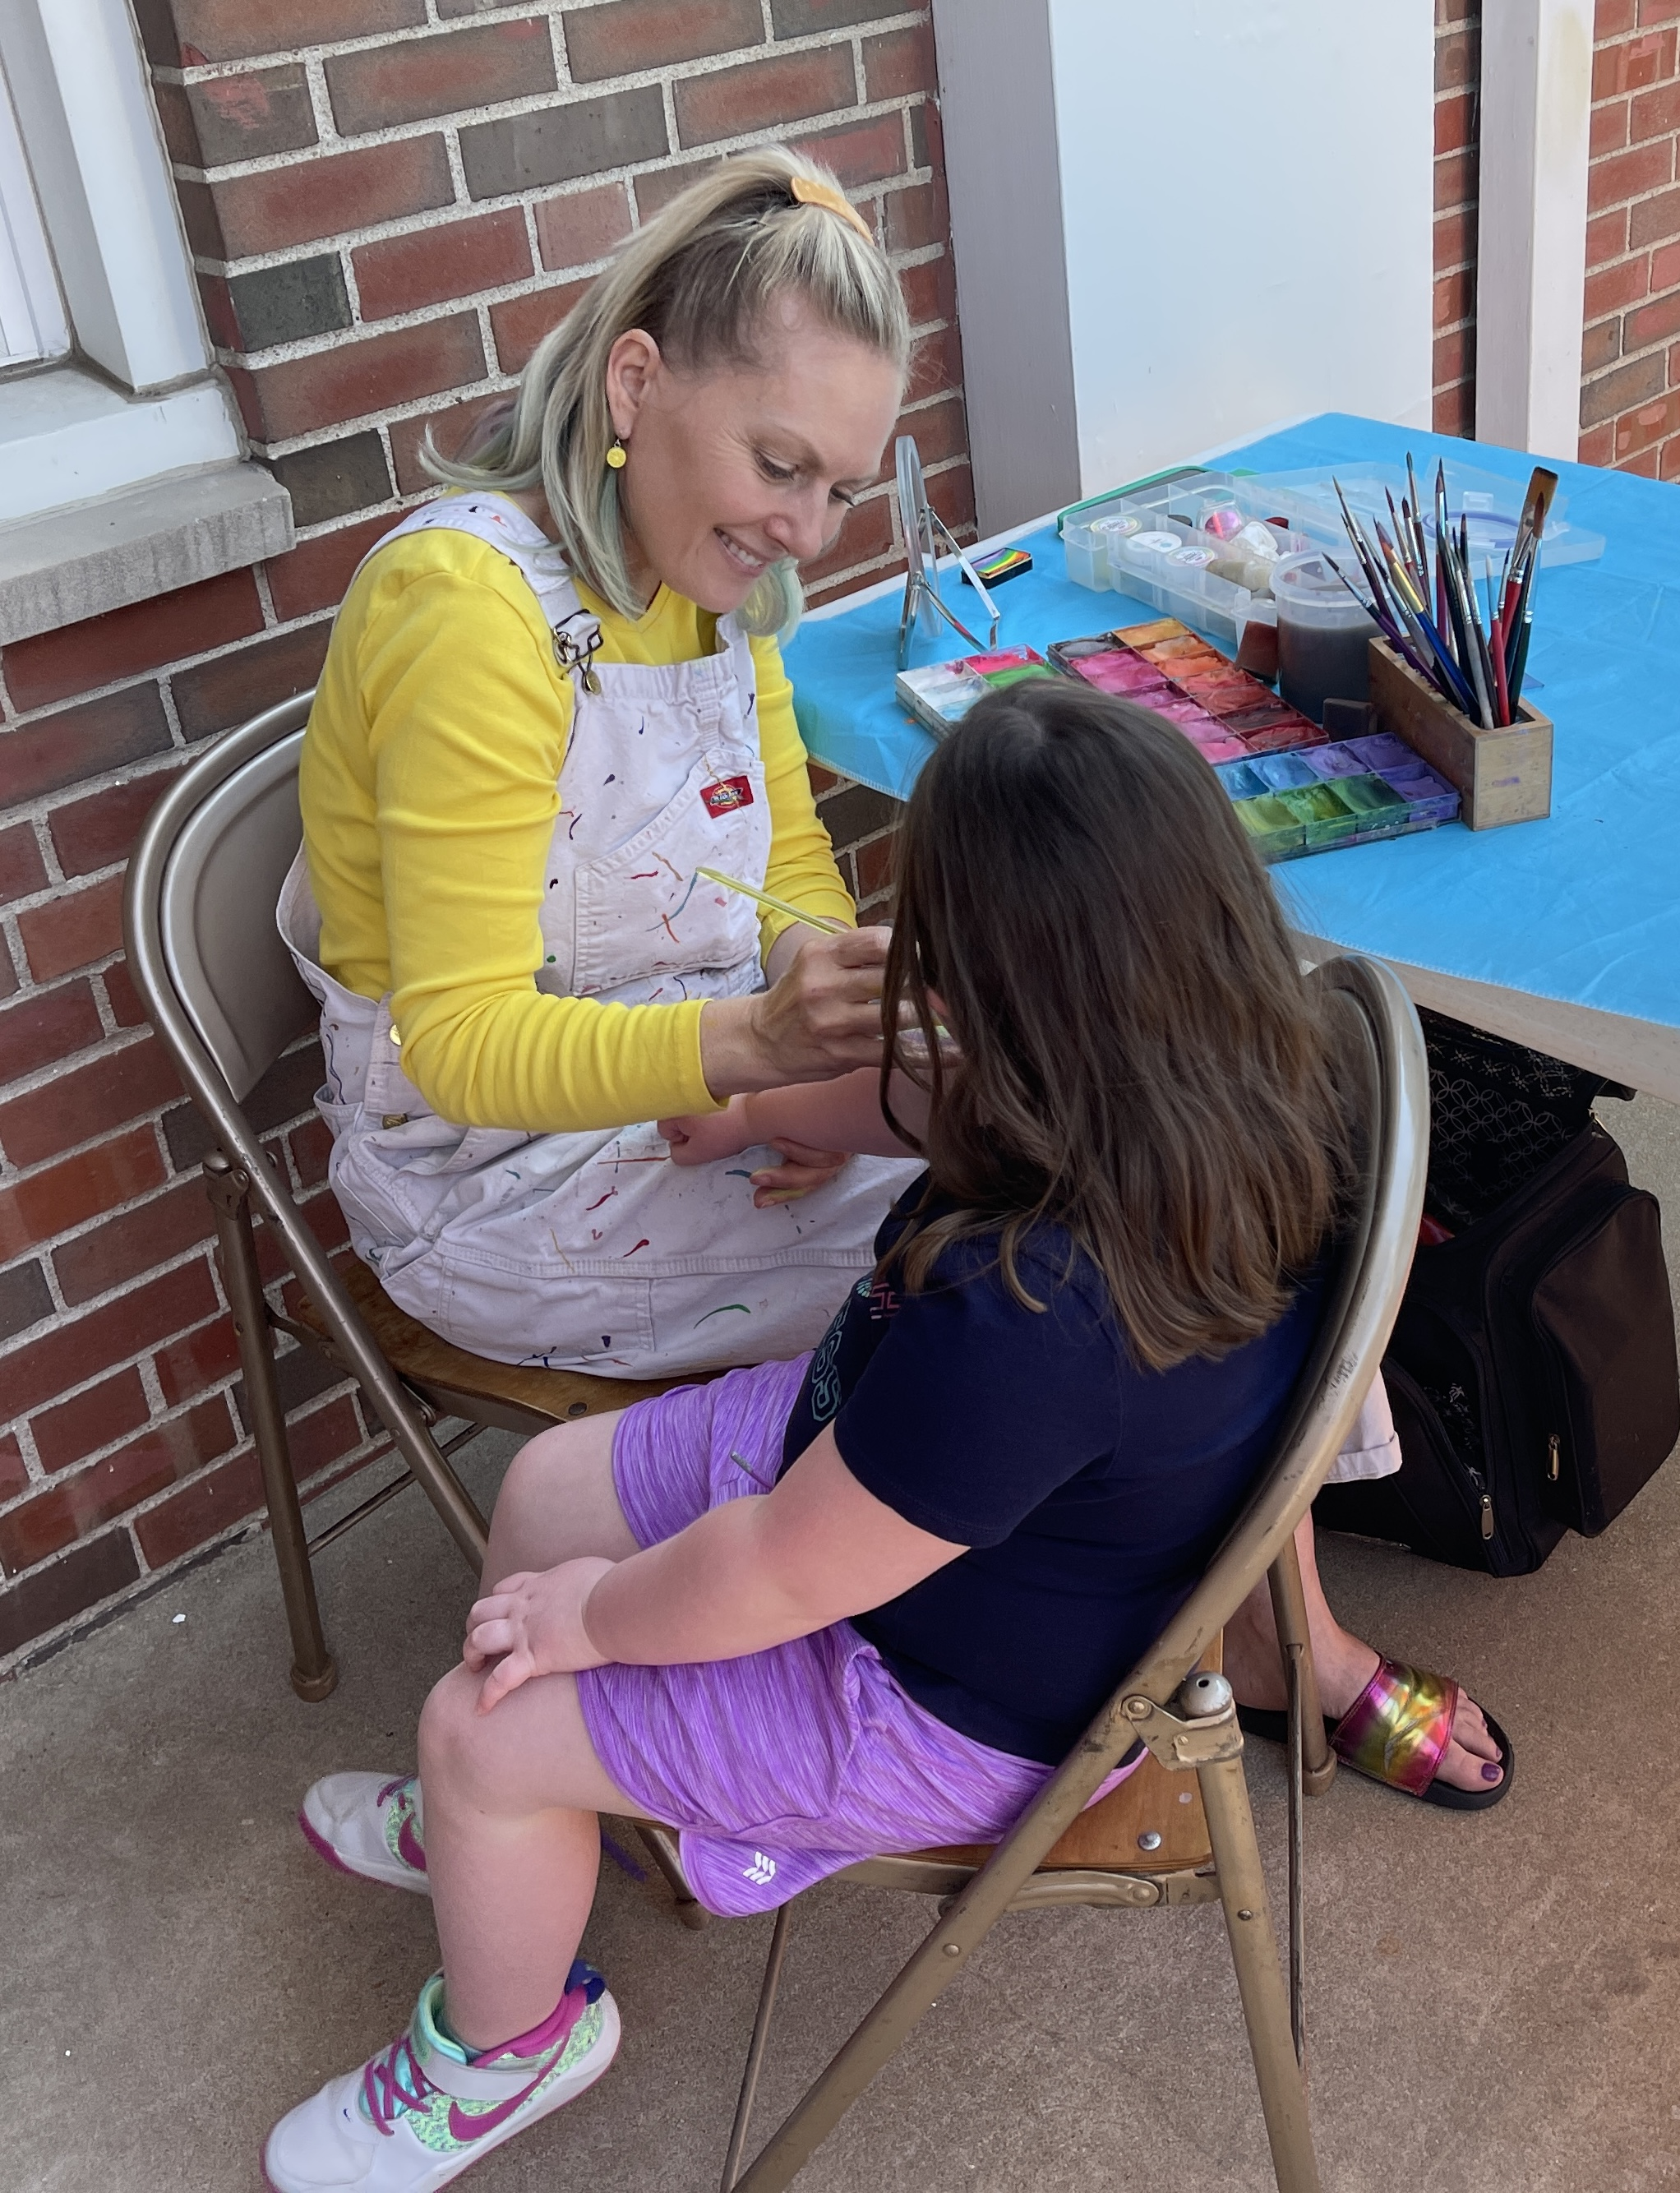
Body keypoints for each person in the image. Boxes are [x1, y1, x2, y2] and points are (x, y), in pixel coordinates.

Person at [265, 685, 1510, 2193]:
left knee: (482, 1730)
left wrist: (593, 1619)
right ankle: (506, 1833)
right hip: (893, 1489)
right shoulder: (1209, 1090)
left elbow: (785, 1575)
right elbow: (939, 1096)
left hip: (931, 1697)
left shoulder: (1035, 1318)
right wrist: (756, 1107)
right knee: (543, 1488)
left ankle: (505, 2043)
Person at [279, 148, 924, 1381]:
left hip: (702, 1100)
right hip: (489, 1186)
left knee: (1095, 1139)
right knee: (1030, 1248)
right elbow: (463, 1048)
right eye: (779, 466)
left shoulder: (721, 584)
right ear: (636, 382)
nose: (805, 531)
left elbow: (784, 858)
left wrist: (830, 1039)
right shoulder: (470, 609)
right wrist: (765, 1048)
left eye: (838, 489)